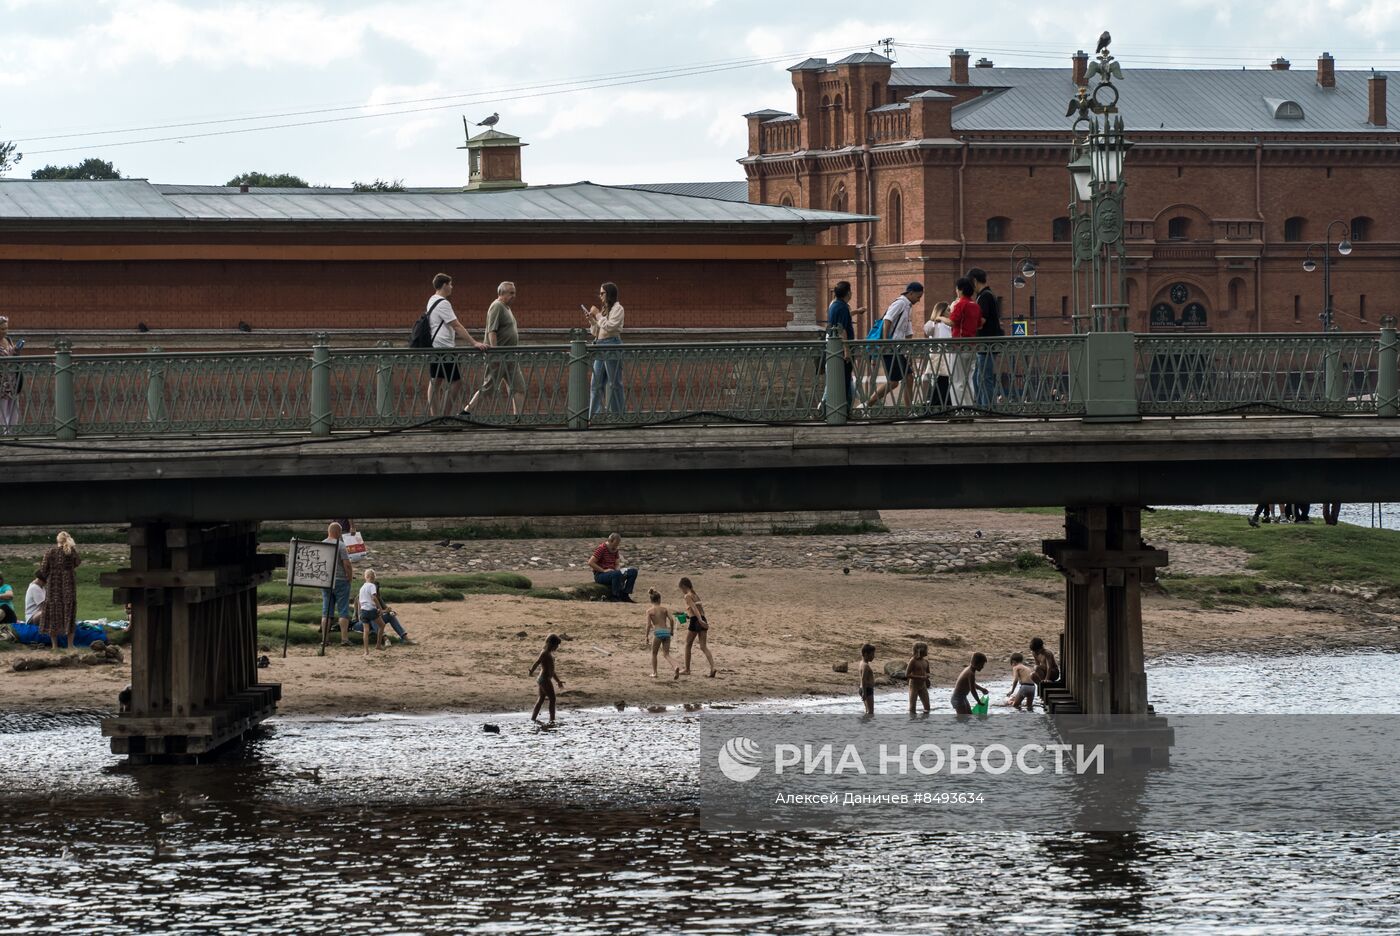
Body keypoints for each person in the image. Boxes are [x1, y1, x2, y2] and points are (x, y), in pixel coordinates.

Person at [424, 273, 488, 416]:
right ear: (445, 285)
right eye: (451, 284)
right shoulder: (443, 303)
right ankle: (445, 416)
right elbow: (456, 325)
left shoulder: (431, 300)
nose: (452, 287)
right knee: (456, 382)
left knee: (436, 381)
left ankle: (436, 417)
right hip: (445, 349)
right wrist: (474, 342)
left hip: (435, 347)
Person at [464, 281, 526, 418]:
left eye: (514, 292)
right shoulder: (497, 306)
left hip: (510, 357)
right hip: (499, 357)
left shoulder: (507, 308)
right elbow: (492, 331)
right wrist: (495, 352)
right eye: (511, 293)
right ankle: (466, 411)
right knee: (488, 388)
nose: (514, 296)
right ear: (501, 293)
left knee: (519, 387)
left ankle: (518, 418)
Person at [862, 282, 922, 410]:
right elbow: (887, 320)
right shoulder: (900, 303)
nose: (919, 300)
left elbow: (907, 332)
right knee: (895, 381)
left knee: (907, 377)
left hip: (897, 348)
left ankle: (908, 410)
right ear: (910, 293)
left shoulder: (907, 306)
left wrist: (908, 350)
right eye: (918, 296)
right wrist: (885, 342)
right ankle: (867, 405)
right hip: (890, 348)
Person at [822, 281, 863, 411]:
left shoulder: (834, 305)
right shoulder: (843, 307)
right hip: (841, 349)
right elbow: (842, 329)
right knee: (844, 380)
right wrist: (847, 351)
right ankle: (843, 410)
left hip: (833, 348)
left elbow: (839, 321)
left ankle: (830, 408)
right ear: (848, 293)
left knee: (837, 380)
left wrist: (856, 311)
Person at [586, 281, 626, 416]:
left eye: (602, 293)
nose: (600, 296)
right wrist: (592, 320)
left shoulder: (618, 309)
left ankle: (618, 415)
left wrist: (597, 315)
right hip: (601, 345)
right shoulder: (604, 310)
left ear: (609, 294)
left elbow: (610, 326)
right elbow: (596, 332)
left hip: (612, 344)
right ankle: (593, 415)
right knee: (596, 383)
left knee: (615, 383)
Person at [319, 522, 359, 651]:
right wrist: (350, 577)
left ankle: (325, 640)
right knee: (343, 611)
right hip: (341, 581)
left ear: (328, 531)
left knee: (326, 612)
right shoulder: (341, 545)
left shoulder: (321, 544)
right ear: (338, 532)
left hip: (325, 581)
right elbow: (347, 564)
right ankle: (344, 639)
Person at [37, 532, 80, 651]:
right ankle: (70, 646)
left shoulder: (50, 552)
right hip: (68, 587)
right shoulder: (72, 552)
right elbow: (77, 563)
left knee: (53, 614)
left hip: (53, 587)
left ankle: (54, 646)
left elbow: (43, 570)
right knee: (69, 613)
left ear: (58, 540)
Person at [968, 267, 1003, 408]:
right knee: (978, 377)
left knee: (983, 377)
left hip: (987, 343)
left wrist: (967, 324)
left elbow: (981, 320)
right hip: (986, 343)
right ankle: (983, 406)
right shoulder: (987, 295)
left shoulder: (985, 296)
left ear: (975, 281)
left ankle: (987, 408)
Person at [355, 569, 409, 650]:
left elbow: (385, 609)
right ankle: (385, 639)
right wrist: (381, 610)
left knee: (389, 616)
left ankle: (404, 637)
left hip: (372, 616)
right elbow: (360, 614)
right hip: (361, 622)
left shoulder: (377, 597)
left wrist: (389, 611)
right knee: (373, 617)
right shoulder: (361, 596)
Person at [948, 277, 981, 408]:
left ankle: (959, 409)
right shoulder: (975, 305)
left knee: (956, 380)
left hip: (959, 346)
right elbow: (979, 324)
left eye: (957, 289)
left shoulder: (960, 304)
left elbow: (952, 321)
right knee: (968, 380)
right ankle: (969, 408)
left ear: (960, 290)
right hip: (972, 346)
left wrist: (940, 317)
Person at [678, 576, 716, 678]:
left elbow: (694, 609)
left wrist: (698, 620)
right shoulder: (695, 595)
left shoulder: (687, 596)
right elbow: (699, 610)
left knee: (687, 644)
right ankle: (712, 667)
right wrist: (689, 616)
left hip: (697, 620)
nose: (681, 591)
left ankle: (687, 669)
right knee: (703, 646)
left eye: (681, 588)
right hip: (702, 618)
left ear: (684, 586)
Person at [921, 301, 954, 410]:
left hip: (946, 354)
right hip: (939, 355)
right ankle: (938, 404)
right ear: (942, 311)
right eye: (948, 310)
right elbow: (927, 330)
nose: (950, 312)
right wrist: (938, 318)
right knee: (942, 380)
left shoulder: (946, 324)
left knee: (943, 380)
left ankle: (940, 403)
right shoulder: (934, 324)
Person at [589, 533, 638, 602]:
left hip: (613, 572)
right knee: (616, 574)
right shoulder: (602, 548)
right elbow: (591, 562)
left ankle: (625, 594)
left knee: (633, 571)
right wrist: (603, 570)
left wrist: (618, 570)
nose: (616, 546)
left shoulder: (615, 550)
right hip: (601, 575)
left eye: (617, 544)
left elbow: (617, 563)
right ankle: (615, 596)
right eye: (615, 544)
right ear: (610, 541)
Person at [644, 589, 681, 679]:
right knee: (666, 654)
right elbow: (671, 620)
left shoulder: (649, 611)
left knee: (654, 653)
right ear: (659, 600)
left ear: (651, 600)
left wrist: (646, 636)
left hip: (658, 633)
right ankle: (675, 666)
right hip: (666, 632)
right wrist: (671, 630)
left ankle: (655, 672)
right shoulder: (665, 609)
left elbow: (648, 625)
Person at [529, 634, 564, 726]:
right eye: (556, 645)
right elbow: (537, 662)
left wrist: (558, 681)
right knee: (552, 699)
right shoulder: (544, 653)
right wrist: (531, 671)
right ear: (550, 644)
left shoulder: (549, 654)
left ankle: (533, 718)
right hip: (544, 679)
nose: (556, 647)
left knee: (541, 698)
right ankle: (552, 720)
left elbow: (552, 671)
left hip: (544, 679)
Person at [0, 314, 19, 432]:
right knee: (1, 407)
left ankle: (12, 432)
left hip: (12, 379)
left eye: (6, 328)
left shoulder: (8, 340)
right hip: (1, 380)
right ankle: (1, 432)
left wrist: (16, 351)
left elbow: (11, 354)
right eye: (2, 329)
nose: (5, 331)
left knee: (13, 407)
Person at [906, 642, 930, 715]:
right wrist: (920, 677)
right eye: (926, 649)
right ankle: (913, 722)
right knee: (912, 707)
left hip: (923, 685)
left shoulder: (926, 661)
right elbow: (907, 674)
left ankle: (925, 722)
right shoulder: (913, 660)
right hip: (914, 685)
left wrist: (927, 677)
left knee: (927, 707)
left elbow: (928, 672)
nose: (927, 651)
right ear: (921, 650)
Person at [858, 643, 876, 716]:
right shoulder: (865, 665)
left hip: (863, 688)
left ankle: (865, 725)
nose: (873, 656)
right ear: (866, 654)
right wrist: (864, 693)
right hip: (867, 689)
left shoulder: (861, 663)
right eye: (872, 654)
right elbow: (863, 679)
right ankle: (867, 726)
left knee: (867, 711)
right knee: (870, 712)